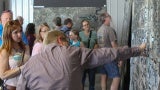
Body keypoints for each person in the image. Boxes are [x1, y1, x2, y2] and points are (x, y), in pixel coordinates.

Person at [17, 30, 146, 90]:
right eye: (67, 41)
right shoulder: (72, 52)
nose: (69, 44)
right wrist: (136, 50)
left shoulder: (29, 65)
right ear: (60, 40)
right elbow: (106, 53)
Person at [0, 20, 30, 90]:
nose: (19, 34)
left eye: (20, 31)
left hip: (26, 86)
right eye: (15, 32)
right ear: (8, 34)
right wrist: (20, 69)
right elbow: (2, 75)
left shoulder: (26, 47)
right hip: (12, 87)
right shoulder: (5, 51)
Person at [97, 12, 121, 90]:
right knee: (116, 77)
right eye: (108, 16)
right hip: (109, 56)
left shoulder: (99, 30)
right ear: (105, 19)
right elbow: (114, 45)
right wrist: (120, 58)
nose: (110, 17)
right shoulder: (109, 29)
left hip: (101, 56)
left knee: (103, 76)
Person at [79, 19, 98, 90]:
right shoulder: (80, 34)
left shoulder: (94, 33)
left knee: (92, 79)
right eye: (84, 25)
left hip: (92, 58)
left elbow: (96, 43)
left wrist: (95, 48)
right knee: (82, 79)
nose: (86, 26)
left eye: (87, 24)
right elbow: (77, 45)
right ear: (82, 27)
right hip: (83, 59)